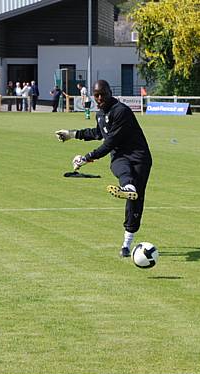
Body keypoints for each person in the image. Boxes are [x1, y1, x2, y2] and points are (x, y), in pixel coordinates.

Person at [54, 80, 152, 258]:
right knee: (121, 169)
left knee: (135, 201)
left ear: (109, 92)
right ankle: (128, 187)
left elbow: (110, 142)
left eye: (102, 94)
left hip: (139, 157)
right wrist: (72, 134)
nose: (99, 98)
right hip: (119, 156)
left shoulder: (122, 111)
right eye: (96, 95)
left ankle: (126, 243)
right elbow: (98, 133)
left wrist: (86, 158)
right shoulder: (100, 113)